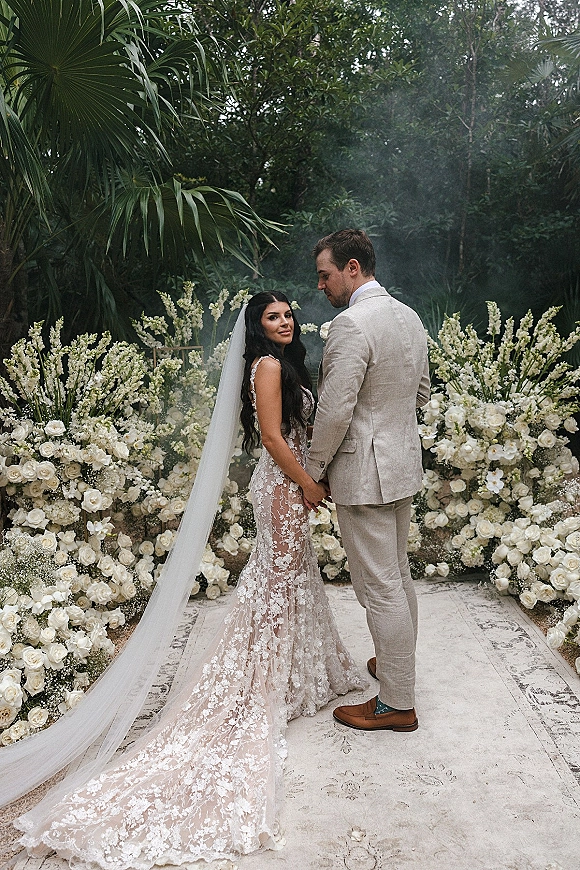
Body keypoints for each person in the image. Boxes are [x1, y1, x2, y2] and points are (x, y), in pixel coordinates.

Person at [13, 291, 365, 869]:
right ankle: (261, 683)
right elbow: (274, 439)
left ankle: (287, 672)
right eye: (272, 317)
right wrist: (307, 484)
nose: (285, 322)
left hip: (283, 487)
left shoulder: (285, 362)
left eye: (288, 314)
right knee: (275, 585)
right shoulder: (270, 366)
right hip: (280, 488)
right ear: (254, 328)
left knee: (289, 581)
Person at [305, 229, 430, 733]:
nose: (321, 285)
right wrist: (392, 431)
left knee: (379, 588)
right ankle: (396, 666)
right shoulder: (409, 316)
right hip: (400, 465)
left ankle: (397, 703)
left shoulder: (351, 325)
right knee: (396, 576)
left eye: (325, 274)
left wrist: (313, 469)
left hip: (365, 472)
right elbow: (421, 392)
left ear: (352, 268)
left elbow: (335, 412)